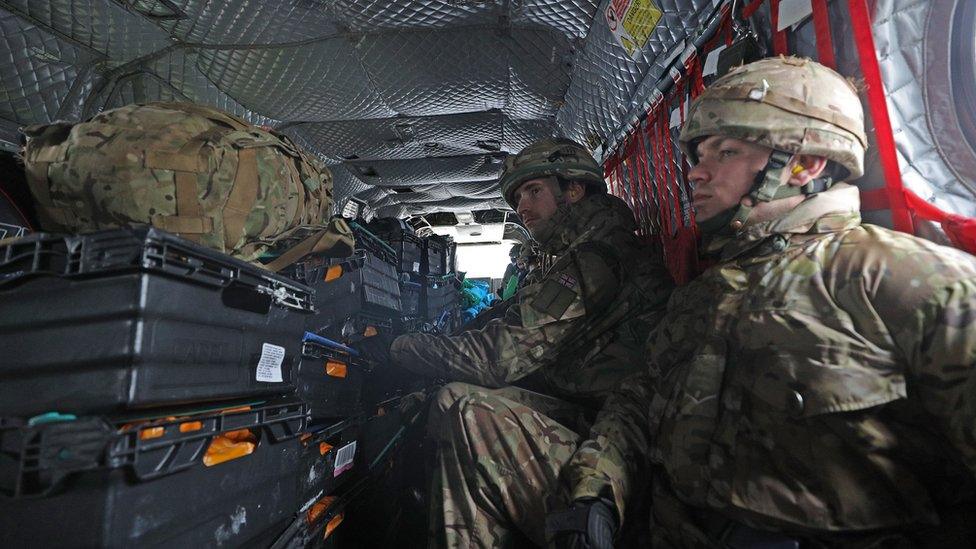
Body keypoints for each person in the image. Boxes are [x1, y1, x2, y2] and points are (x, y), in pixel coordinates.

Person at [555, 56, 976, 547]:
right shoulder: (704, 293)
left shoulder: (908, 282)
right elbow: (640, 398)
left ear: (804, 163)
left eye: (725, 152)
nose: (696, 174)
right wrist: (595, 490)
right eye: (697, 156)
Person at [380, 137, 673, 548]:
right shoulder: (573, 251)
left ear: (573, 189)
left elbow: (502, 358)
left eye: (534, 191)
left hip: (615, 440)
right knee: (452, 399)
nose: (522, 206)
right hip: (584, 409)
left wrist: (399, 350)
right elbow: (513, 321)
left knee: (468, 409)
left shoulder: (598, 257)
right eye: (518, 197)